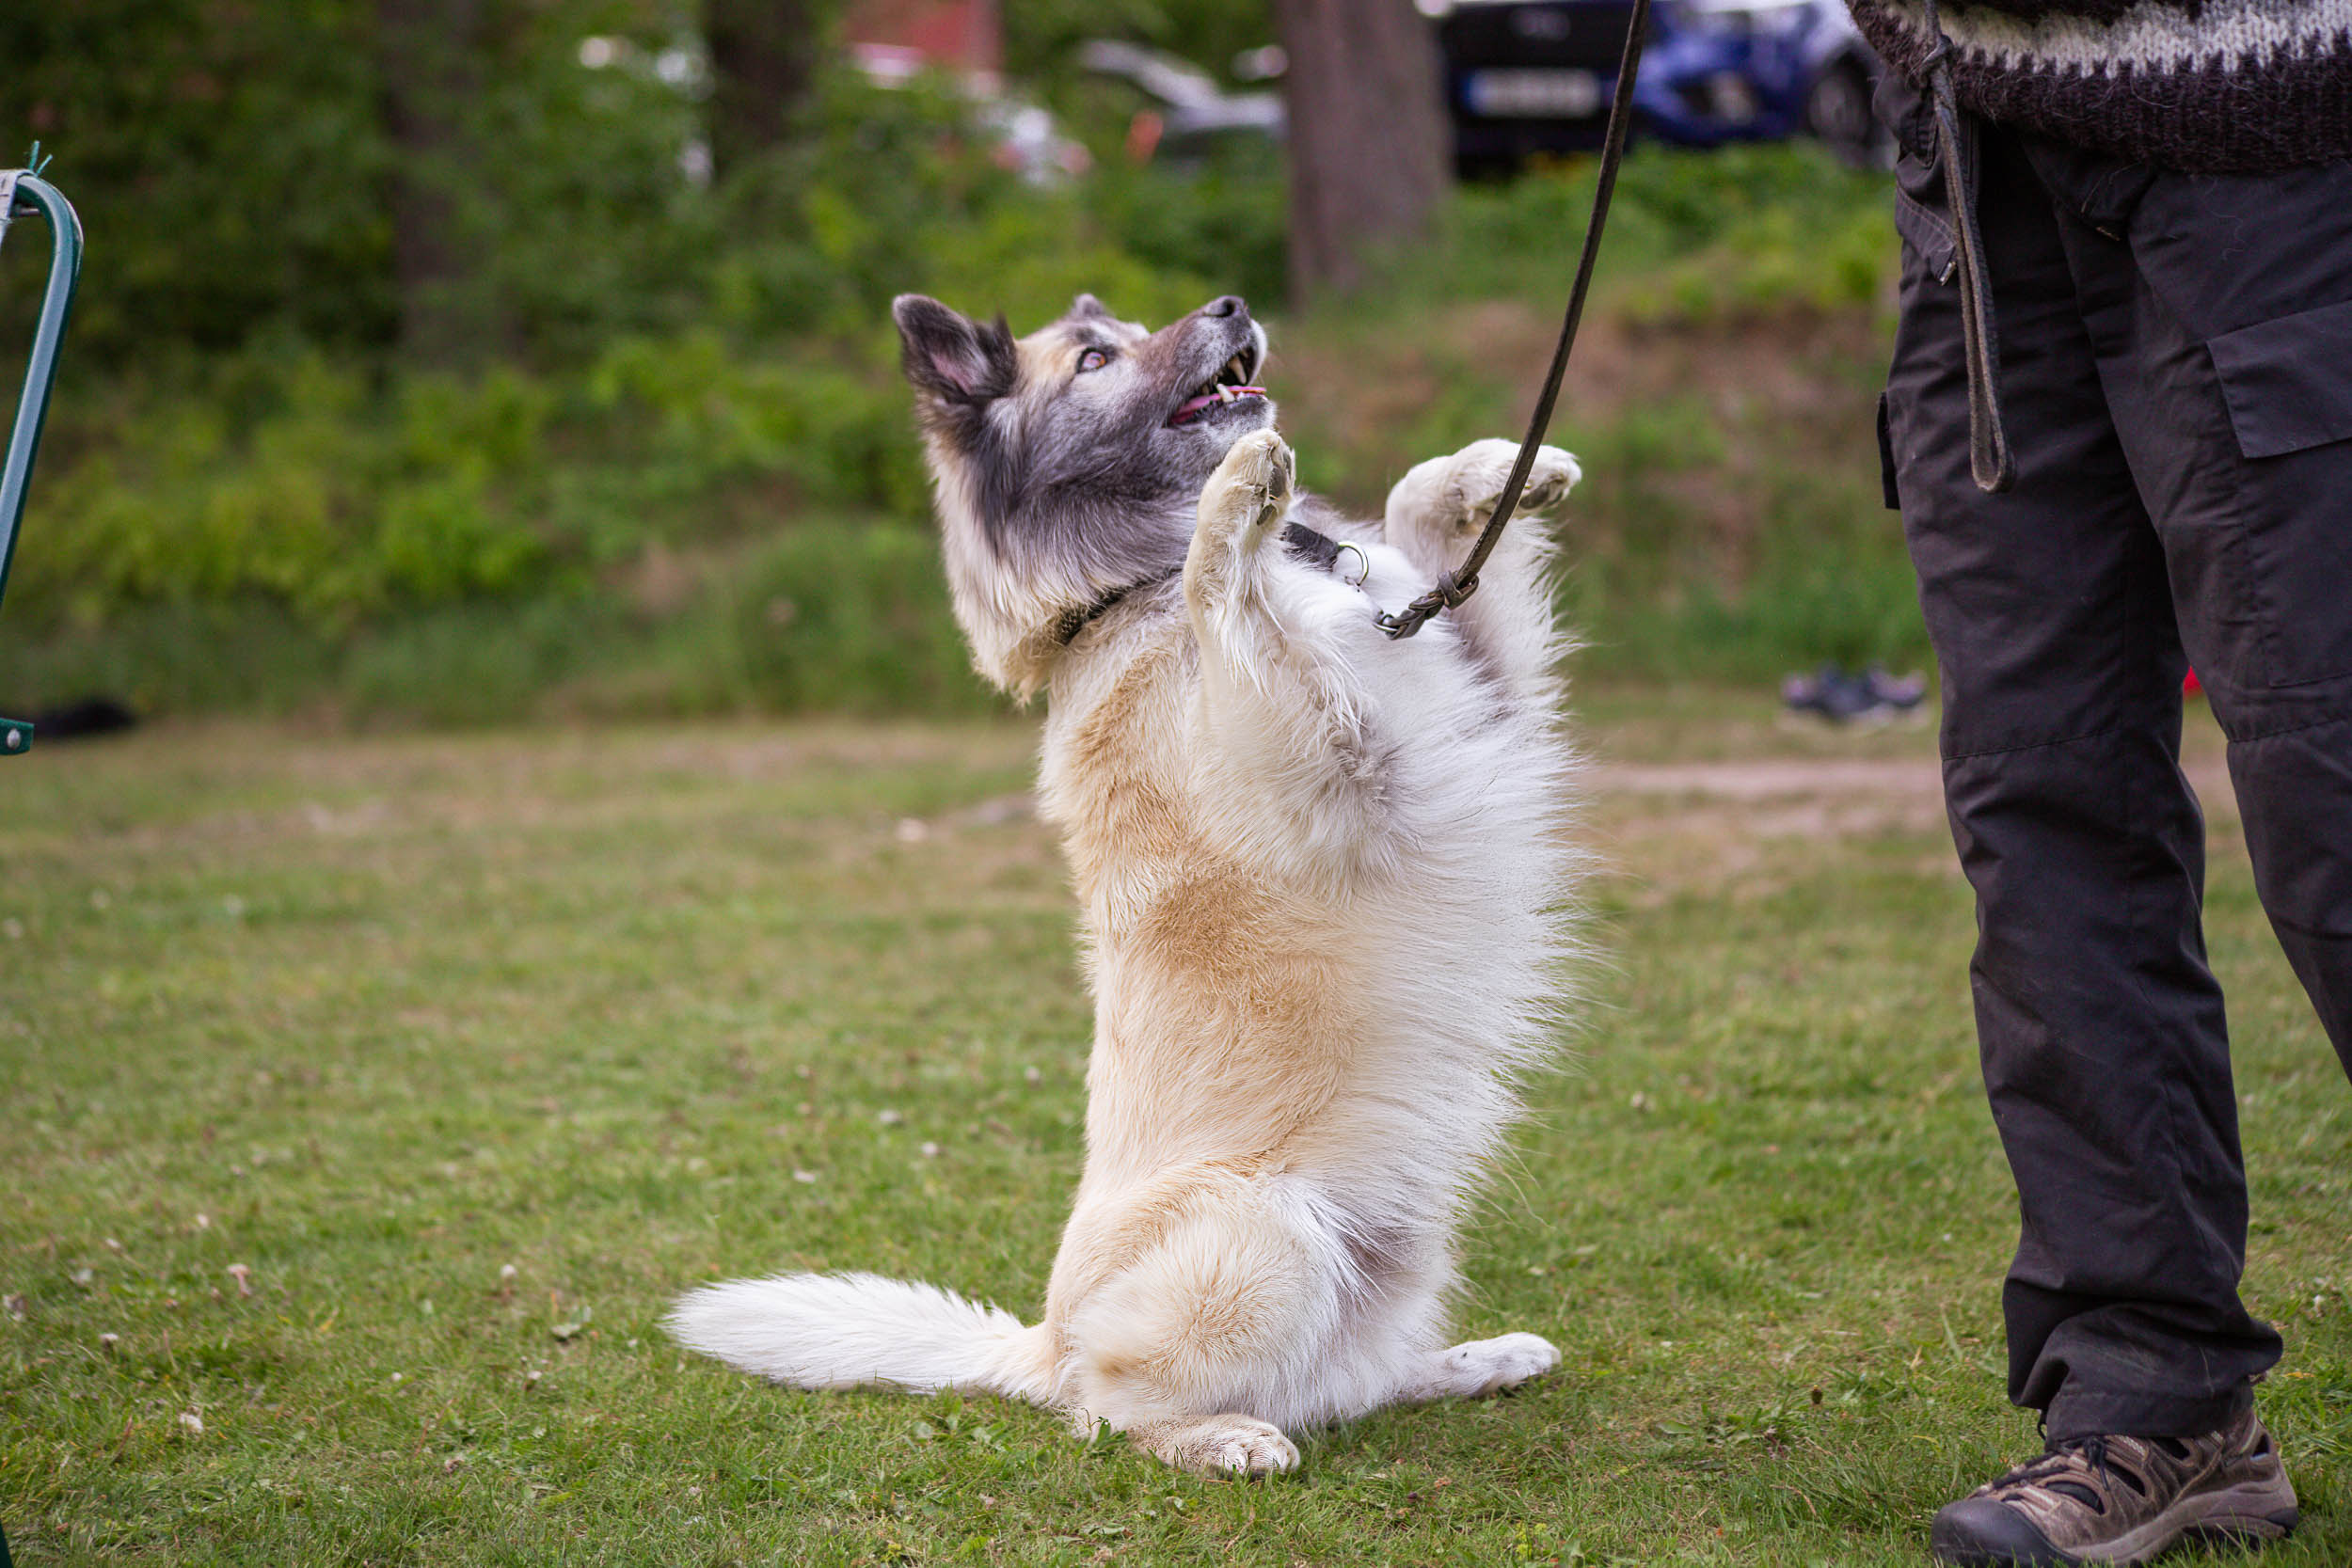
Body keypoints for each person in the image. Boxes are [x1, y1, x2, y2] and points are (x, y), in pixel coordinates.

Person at [1843, 0, 2352, 1561]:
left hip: (2269, 154)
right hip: (1976, 180)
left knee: (2334, 790)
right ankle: (2155, 1391)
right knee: (2042, 808)